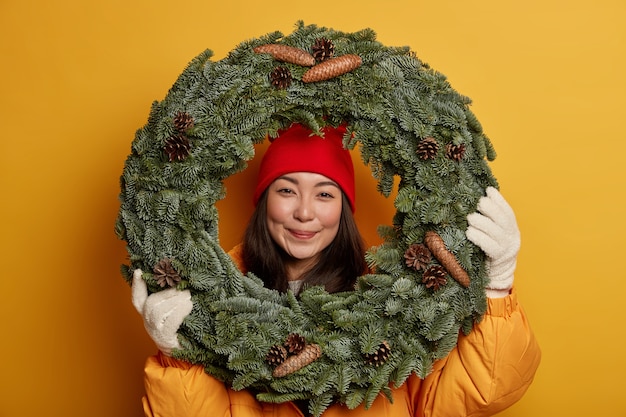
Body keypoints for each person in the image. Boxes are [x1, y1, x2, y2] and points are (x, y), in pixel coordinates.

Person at [131, 123, 541, 417]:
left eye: (324, 194)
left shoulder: (399, 306)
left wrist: (498, 289)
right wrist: (179, 357)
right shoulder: (212, 306)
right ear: (263, 201)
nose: (304, 212)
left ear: (343, 209)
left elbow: (483, 394)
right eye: (286, 190)